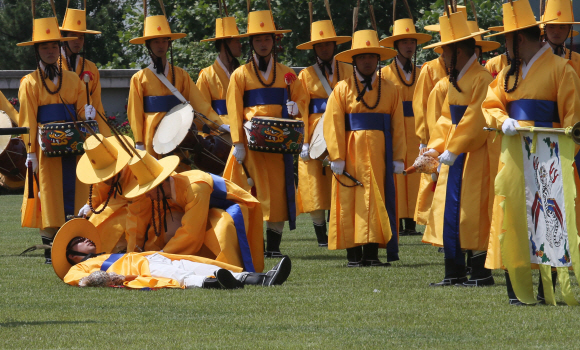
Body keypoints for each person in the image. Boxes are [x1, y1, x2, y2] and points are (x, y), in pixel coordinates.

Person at [483, 0, 580, 304]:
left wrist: (562, 154)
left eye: (507, 40)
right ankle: (516, 289)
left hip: (547, 156)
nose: (504, 46)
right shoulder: (508, 72)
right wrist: (504, 121)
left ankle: (545, 289)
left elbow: (573, 121)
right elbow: (489, 104)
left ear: (519, 39)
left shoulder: (561, 69)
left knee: (547, 219)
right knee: (514, 215)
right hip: (514, 154)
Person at [222, 9, 308, 258]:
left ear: (274, 42)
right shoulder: (240, 74)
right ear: (251, 43)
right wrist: (237, 142)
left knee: (279, 194)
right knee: (247, 193)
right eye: (258, 40)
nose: (262, 44)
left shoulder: (287, 73)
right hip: (250, 146)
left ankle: (273, 247)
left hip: (279, 146)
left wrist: (295, 110)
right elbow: (234, 109)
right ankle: (249, 244)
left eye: (267, 39)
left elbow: (302, 102)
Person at [422, 9, 496, 287]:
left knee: (472, 211)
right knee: (447, 208)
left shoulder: (482, 79)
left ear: (458, 52)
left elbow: (477, 116)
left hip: (474, 153)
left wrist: (455, 147)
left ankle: (480, 272)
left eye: (444, 52)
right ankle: (453, 271)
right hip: (453, 153)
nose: (440, 58)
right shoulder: (455, 80)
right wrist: (435, 147)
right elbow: (444, 119)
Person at [324, 25, 406, 266]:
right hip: (350, 153)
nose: (367, 61)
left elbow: (398, 125)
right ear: (354, 60)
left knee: (377, 199)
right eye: (362, 56)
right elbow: (333, 123)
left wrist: (398, 158)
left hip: (381, 152)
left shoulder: (391, 89)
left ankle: (371, 254)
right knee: (351, 199)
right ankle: (353, 253)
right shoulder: (342, 88)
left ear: (378, 59)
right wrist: (336, 157)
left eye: (371, 56)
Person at [17, 13, 94, 264]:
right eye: (44, 46)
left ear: (59, 47)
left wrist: (89, 118)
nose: (50, 51)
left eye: (53, 45)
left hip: (74, 149)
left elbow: (82, 112)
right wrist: (30, 154)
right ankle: (51, 249)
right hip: (44, 151)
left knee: (77, 194)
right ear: (37, 50)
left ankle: (76, 246)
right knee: (48, 197)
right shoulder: (29, 83)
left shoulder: (74, 80)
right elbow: (27, 119)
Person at [121, 150, 265, 272]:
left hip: (232, 208)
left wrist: (163, 255)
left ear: (160, 184)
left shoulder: (195, 188)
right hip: (205, 211)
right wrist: (137, 253)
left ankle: (232, 270)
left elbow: (192, 232)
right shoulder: (165, 193)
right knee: (169, 222)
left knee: (222, 229)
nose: (146, 195)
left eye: (148, 189)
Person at [51, 219, 290, 289]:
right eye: (79, 241)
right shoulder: (76, 269)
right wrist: (114, 278)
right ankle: (216, 285)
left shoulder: (105, 253)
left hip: (152, 257)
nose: (86, 239)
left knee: (201, 267)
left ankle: (264, 279)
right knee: (179, 276)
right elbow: (82, 283)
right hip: (142, 269)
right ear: (72, 255)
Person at [126, 11, 225, 159]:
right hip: (152, 138)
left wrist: (219, 125)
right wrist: (139, 142)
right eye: (156, 42)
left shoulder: (181, 75)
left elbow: (200, 104)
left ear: (169, 44)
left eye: (164, 41)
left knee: (180, 175)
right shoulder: (139, 78)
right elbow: (135, 113)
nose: (161, 46)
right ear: (148, 45)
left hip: (178, 135)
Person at [295, 6, 352, 247]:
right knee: (315, 186)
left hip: (343, 131)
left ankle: (341, 231)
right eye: (320, 45)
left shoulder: (349, 70)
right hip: (315, 136)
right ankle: (321, 237)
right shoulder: (305, 75)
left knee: (341, 180)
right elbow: (301, 111)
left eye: (328, 44)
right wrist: (304, 141)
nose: (324, 48)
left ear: (335, 46)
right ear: (314, 49)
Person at [380, 16, 432, 236]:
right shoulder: (384, 73)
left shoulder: (422, 71)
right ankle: (398, 220)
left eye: (412, 42)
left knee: (415, 171)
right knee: (397, 171)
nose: (409, 46)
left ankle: (411, 221)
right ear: (395, 45)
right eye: (404, 42)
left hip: (417, 127)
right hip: (397, 127)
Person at [59, 5, 109, 136]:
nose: (78, 41)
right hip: (61, 129)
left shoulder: (91, 67)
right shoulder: (54, 65)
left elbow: (97, 102)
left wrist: (105, 136)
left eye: (81, 37)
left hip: (86, 127)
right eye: (73, 36)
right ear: (64, 38)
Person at [197, 15, 247, 124]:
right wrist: (219, 126)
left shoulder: (243, 72)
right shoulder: (206, 75)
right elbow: (202, 110)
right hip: (219, 133)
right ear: (224, 44)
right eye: (237, 41)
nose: (240, 45)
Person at [541, 0, 580, 76]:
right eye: (552, 27)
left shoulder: (578, 60)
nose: (556, 31)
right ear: (545, 28)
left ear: (569, 29)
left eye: (562, 27)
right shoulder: (535, 58)